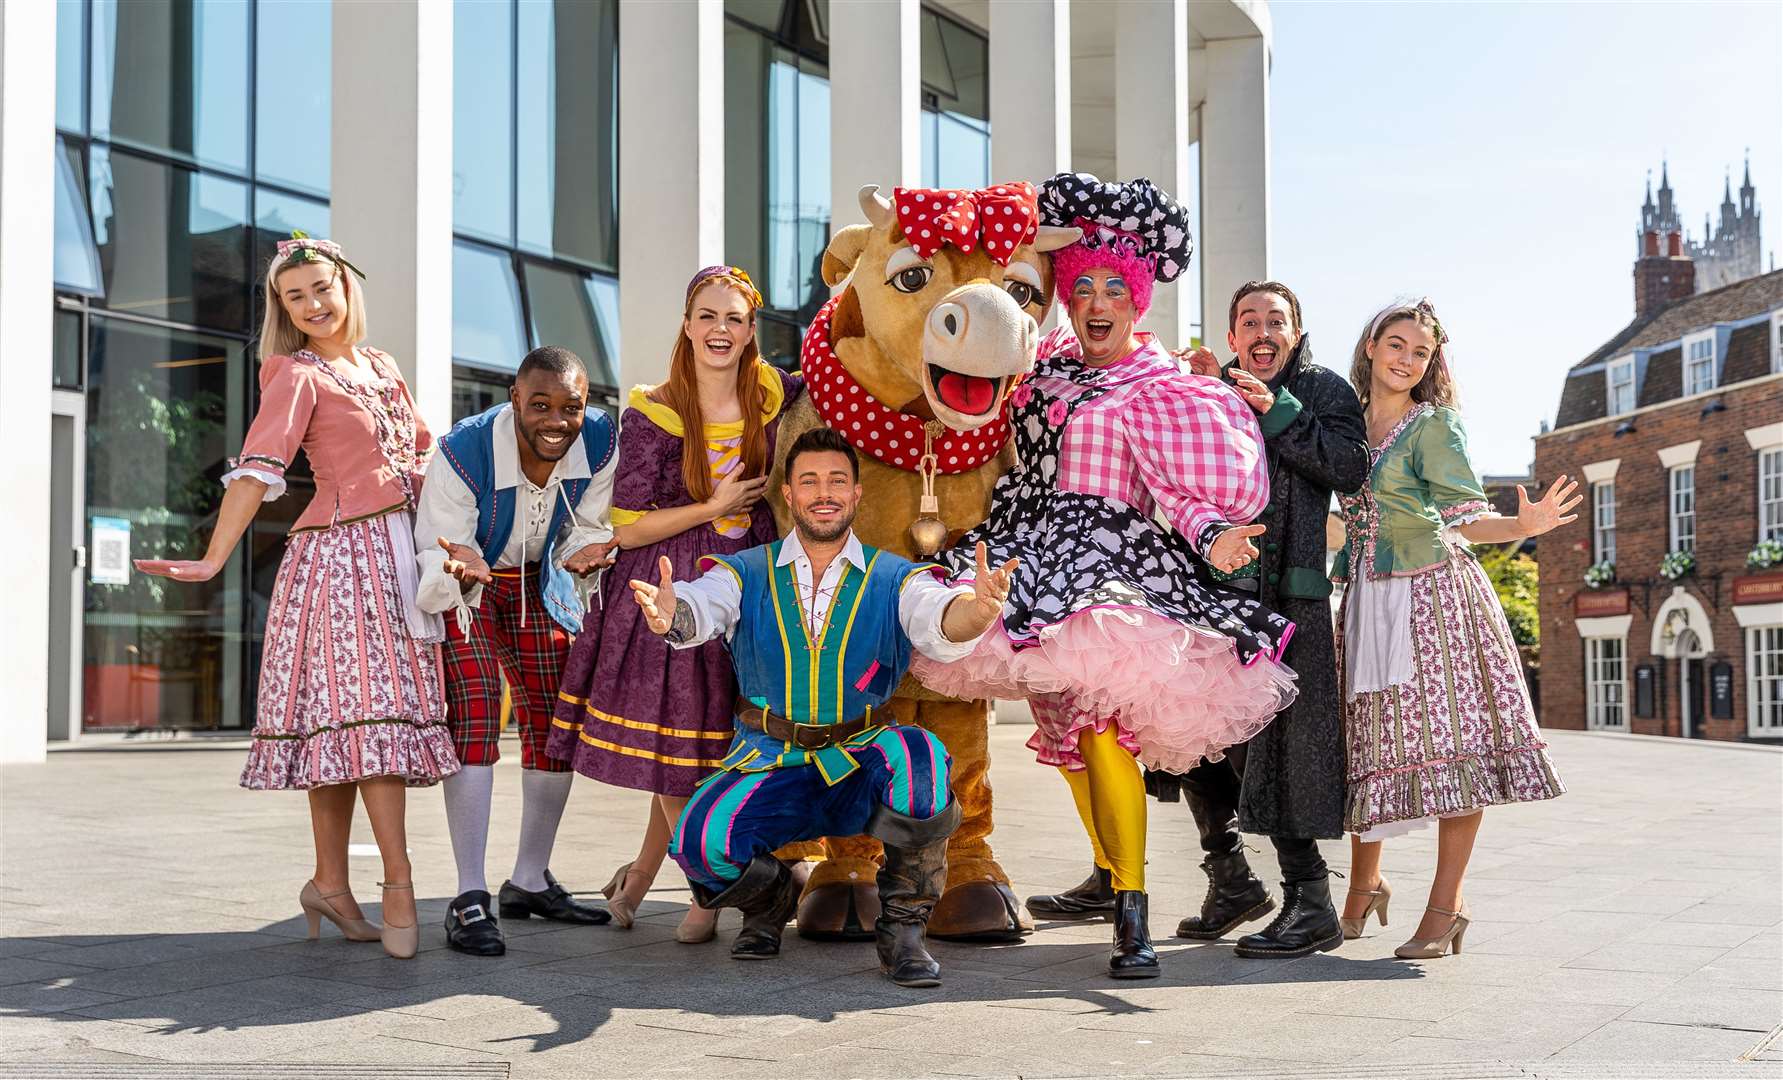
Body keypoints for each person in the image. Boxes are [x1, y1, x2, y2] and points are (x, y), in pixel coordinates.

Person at [911, 173, 1298, 980]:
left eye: (1111, 289)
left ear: (1136, 300)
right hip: (1028, 561)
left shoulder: (1159, 387)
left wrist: (1216, 533)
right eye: (1080, 285)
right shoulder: (1039, 369)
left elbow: (1176, 488)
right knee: (1065, 738)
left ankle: (1133, 911)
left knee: (1101, 728)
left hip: (1110, 567)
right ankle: (1113, 879)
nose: (1094, 301)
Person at [136, 235, 456, 960]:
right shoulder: (293, 373)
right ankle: (398, 883)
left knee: (348, 731)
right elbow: (257, 470)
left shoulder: (381, 366)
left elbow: (429, 460)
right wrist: (215, 557)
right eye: (295, 295)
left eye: (321, 287)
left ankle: (330, 884)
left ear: (346, 285)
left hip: (400, 557)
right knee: (361, 724)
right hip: (340, 560)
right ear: (281, 308)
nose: (313, 304)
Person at [634, 427, 1011, 988]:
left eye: (837, 480)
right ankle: (771, 903)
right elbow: (700, 606)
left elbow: (939, 619)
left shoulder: (895, 576)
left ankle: (903, 931)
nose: (824, 492)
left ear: (857, 495)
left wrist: (975, 614)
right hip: (769, 759)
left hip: (860, 756)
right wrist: (673, 616)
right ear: (789, 494)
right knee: (698, 844)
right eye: (809, 481)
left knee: (921, 756)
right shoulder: (744, 571)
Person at [1100, 282, 1366, 959]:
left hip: (1288, 604)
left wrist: (1277, 413)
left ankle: (1311, 903)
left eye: (1276, 320)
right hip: (1210, 593)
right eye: (1248, 320)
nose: (1262, 331)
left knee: (1278, 751)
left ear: (1296, 330)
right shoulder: (1210, 391)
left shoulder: (1324, 390)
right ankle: (1230, 880)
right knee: (1192, 737)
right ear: (1232, 333)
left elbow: (1348, 467)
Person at [546, 266, 800, 945]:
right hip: (670, 582)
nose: (721, 329)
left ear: (751, 332)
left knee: (718, 750)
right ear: (687, 325)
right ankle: (705, 890)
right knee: (678, 749)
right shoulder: (653, 410)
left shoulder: (776, 394)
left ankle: (639, 880)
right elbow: (626, 527)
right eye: (708, 316)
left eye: (735, 319)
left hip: (753, 584)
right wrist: (714, 506)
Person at [1334, 299, 1572, 958]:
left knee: (1453, 747)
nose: (1406, 359)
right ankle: (1361, 892)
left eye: (1420, 352)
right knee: (1372, 746)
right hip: (1364, 596)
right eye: (1396, 344)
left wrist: (1521, 527)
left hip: (1434, 597)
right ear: (1371, 346)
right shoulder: (1345, 423)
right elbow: (1341, 522)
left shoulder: (1433, 427)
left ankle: (1444, 908)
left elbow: (1465, 519)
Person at [414, 346, 619, 956]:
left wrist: (583, 553)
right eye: (540, 405)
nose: (555, 419)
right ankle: (469, 895)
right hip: (472, 580)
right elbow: (439, 546)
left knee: (556, 722)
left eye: (570, 406)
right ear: (514, 400)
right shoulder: (462, 452)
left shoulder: (602, 442)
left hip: (538, 579)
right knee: (477, 714)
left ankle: (529, 881)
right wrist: (461, 566)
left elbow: (588, 522)